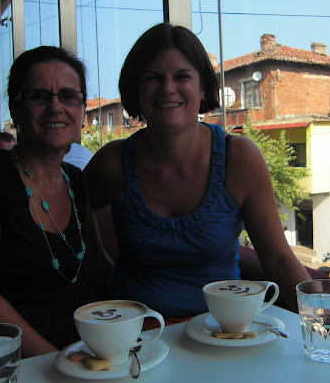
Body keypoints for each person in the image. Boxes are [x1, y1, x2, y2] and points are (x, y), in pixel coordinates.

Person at [83, 23, 313, 320]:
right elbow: (66, 217)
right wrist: (100, 273)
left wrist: (323, 319)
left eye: (182, 76)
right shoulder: (112, 162)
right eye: (153, 78)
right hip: (135, 337)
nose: (168, 88)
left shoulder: (238, 158)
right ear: (135, 89)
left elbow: (279, 261)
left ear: (203, 87)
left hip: (222, 333)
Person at [0, 45, 106, 359]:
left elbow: (96, 269)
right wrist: (59, 363)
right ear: (14, 109)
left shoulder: (76, 180)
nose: (56, 107)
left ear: (83, 110)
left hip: (68, 340)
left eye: (69, 96)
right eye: (38, 96)